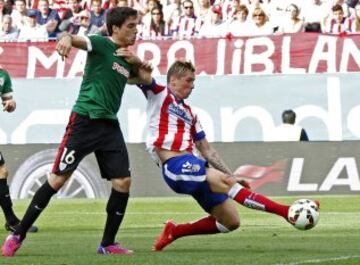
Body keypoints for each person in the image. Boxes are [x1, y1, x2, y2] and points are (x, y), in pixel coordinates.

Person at [1, 6, 152, 257]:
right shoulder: (101, 43)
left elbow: (145, 79)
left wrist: (136, 61)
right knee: (57, 180)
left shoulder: (126, 58)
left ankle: (108, 243)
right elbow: (74, 39)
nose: (136, 30)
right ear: (115, 28)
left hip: (109, 125)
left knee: (123, 181)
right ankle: (18, 234)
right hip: (84, 120)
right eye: (131, 26)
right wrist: (65, 39)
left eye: (136, 25)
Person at [136, 60, 314, 251]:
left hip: (193, 163)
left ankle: (175, 231)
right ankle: (286, 212)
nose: (193, 86)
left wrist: (232, 175)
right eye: (189, 80)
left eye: (194, 81)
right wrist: (134, 62)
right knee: (228, 185)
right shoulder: (159, 94)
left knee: (230, 221)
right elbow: (139, 77)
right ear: (173, 81)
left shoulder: (191, 114)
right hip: (175, 165)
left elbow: (207, 150)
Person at [0, 69, 38, 234]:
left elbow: (8, 101)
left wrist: (10, 104)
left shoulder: (3, 75)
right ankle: (12, 220)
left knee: (2, 172)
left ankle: (11, 220)